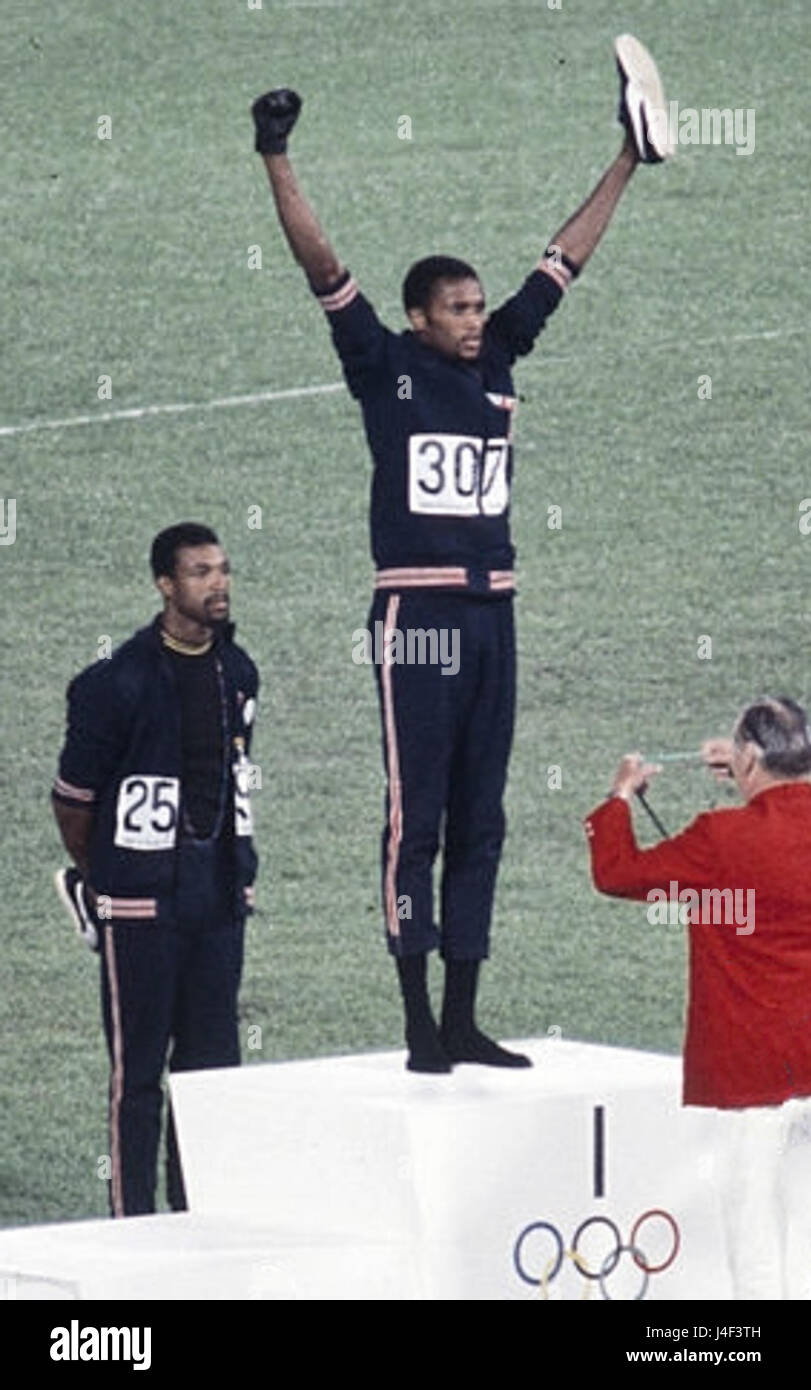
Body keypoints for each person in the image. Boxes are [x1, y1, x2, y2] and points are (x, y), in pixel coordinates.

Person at [252, 37, 671, 1072]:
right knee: (419, 815)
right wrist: (276, 157)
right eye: (459, 310)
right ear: (416, 319)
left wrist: (625, 156)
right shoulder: (380, 364)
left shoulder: (504, 356)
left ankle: (465, 1012)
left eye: (482, 307)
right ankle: (414, 1017)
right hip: (417, 619)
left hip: (494, 615)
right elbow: (320, 263)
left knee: (482, 815)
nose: (478, 322)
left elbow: (563, 260)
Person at [52, 523, 259, 1217]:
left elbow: (232, 782)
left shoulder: (241, 673)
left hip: (217, 902)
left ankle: (197, 1219)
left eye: (223, 569)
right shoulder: (115, 684)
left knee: (209, 1078)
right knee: (137, 1076)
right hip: (141, 908)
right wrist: (106, 877)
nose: (218, 583)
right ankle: (130, 1227)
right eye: (200, 572)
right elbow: (72, 802)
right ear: (165, 585)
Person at [584, 697, 811, 1299]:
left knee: (757, 1246)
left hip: (755, 1076)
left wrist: (619, 797)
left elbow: (618, 872)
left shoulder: (721, 838)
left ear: (753, 756)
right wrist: (749, 773)